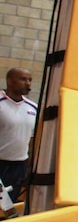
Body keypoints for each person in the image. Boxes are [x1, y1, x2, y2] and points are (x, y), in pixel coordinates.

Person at [0, 67, 37, 199]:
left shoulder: (33, 107)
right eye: (23, 79)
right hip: (1, 163)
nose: (28, 83)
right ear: (9, 81)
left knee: (9, 207)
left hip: (19, 166)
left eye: (30, 80)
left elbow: (31, 140)